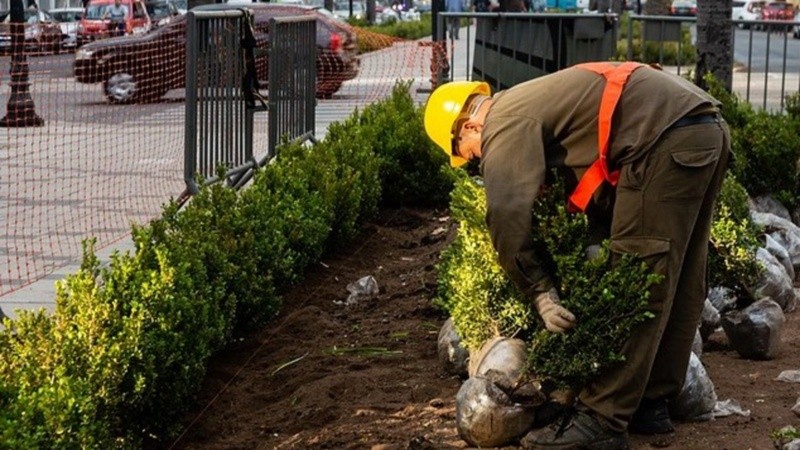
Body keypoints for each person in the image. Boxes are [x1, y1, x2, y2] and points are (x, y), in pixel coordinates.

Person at [423, 62, 730, 449]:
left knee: (635, 278)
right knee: (681, 271)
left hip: (662, 136)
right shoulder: (532, 102)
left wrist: (539, 291)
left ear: (469, 127)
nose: (476, 162)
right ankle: (650, 403)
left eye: (469, 155)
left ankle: (602, 419)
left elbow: (506, 216)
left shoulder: (502, 120)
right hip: (703, 126)